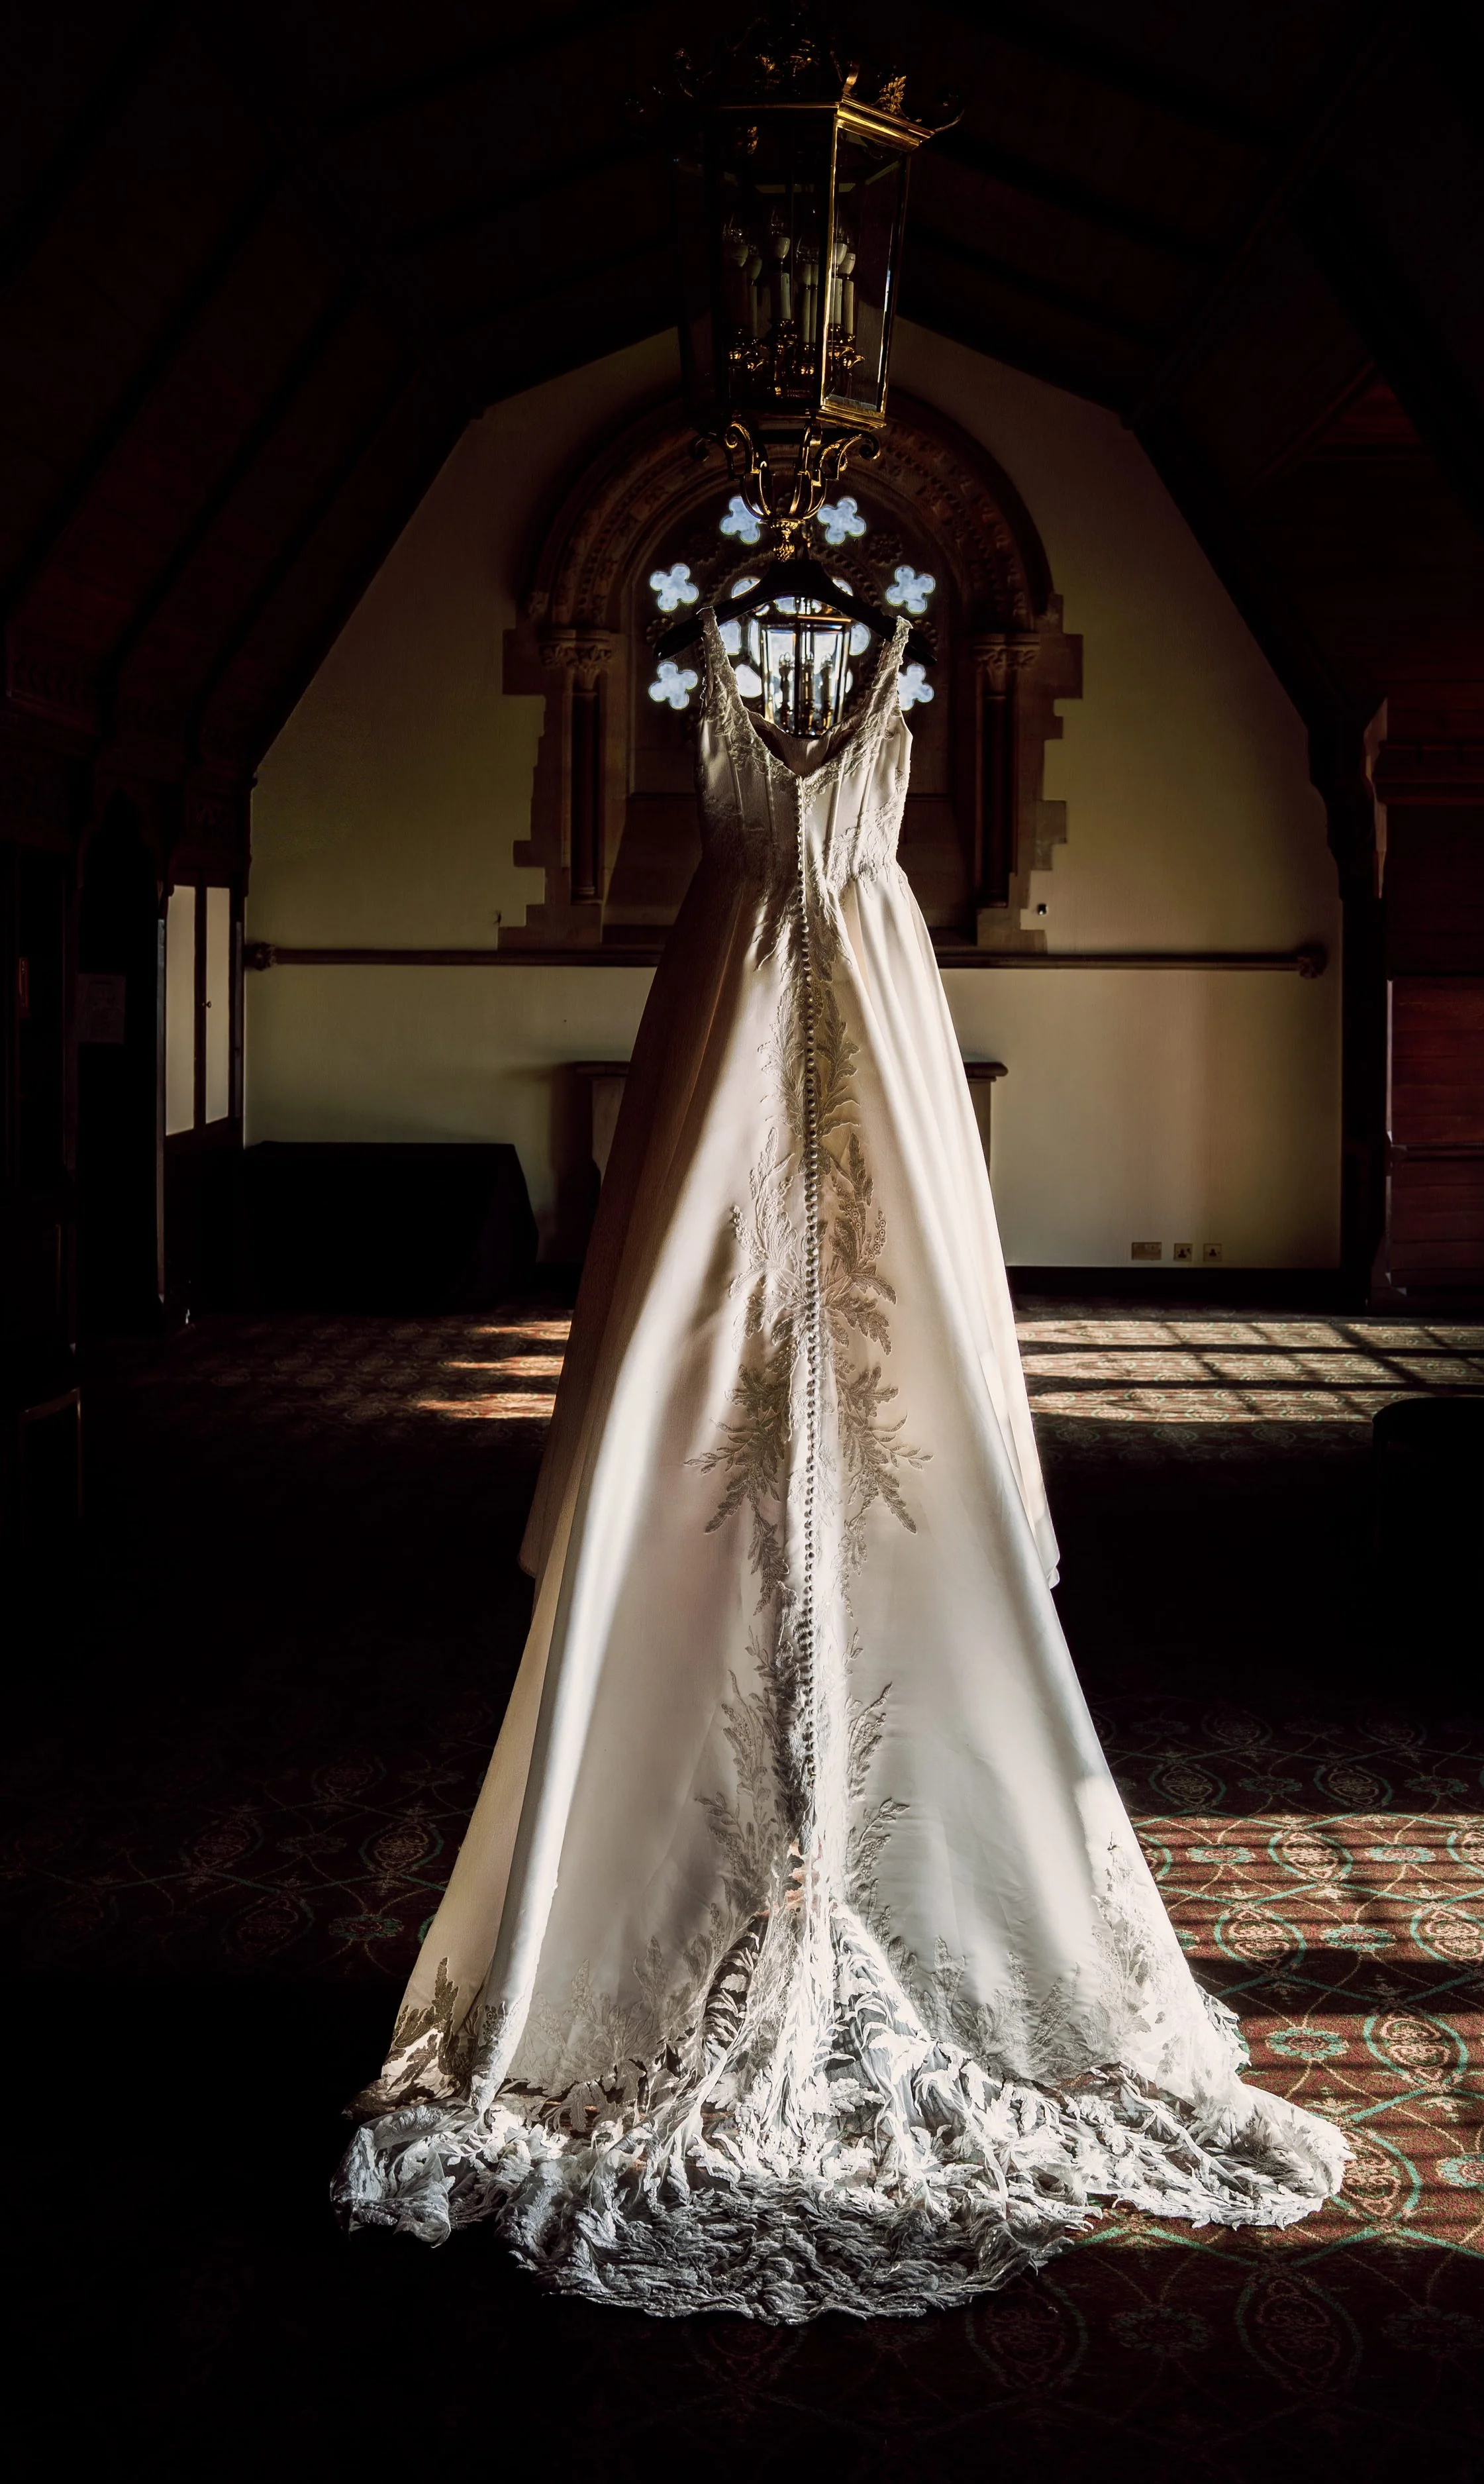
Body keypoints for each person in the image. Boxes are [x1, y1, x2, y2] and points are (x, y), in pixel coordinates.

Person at [334, 611, 1348, 2320]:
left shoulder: (885, 703)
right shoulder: (741, 765)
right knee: (692, 1435)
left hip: (872, 1020)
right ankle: (639, 1938)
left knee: (906, 1421)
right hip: (723, 1021)